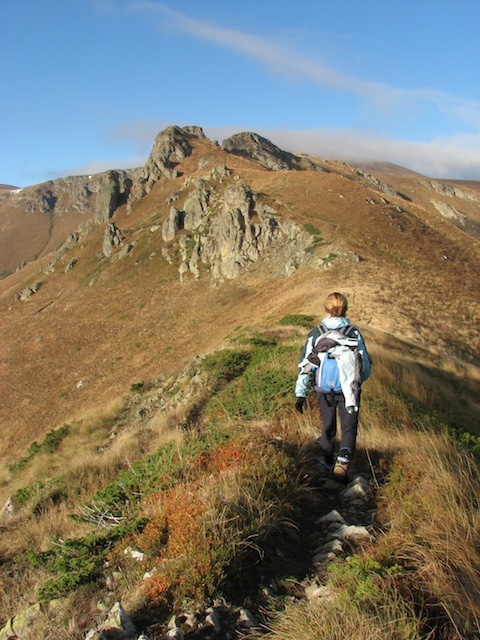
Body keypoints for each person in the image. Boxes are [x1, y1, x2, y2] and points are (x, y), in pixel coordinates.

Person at [294, 292, 371, 480]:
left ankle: (328, 460)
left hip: (323, 388)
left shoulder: (316, 334)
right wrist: (355, 382)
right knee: (349, 426)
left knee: (327, 424)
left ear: (326, 309)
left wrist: (300, 394)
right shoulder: (354, 334)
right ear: (345, 310)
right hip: (347, 390)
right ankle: (343, 462)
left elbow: (307, 364)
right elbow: (365, 366)